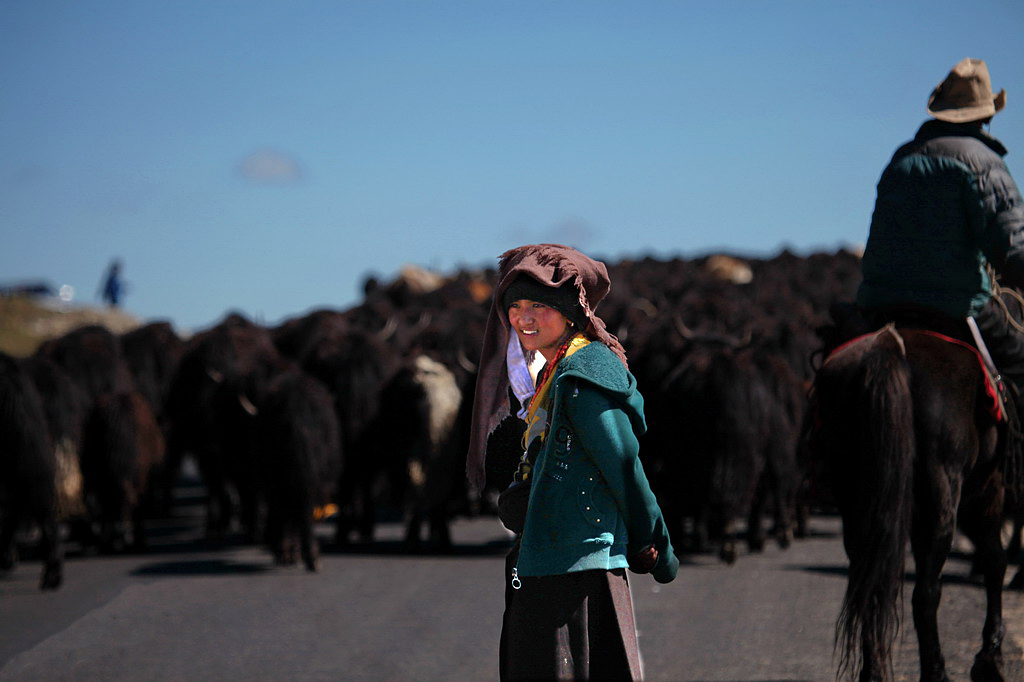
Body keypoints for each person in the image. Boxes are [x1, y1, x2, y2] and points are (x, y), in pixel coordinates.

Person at [467, 243, 678, 681]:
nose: (524, 318)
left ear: (569, 312)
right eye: (516, 307)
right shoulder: (554, 369)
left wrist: (656, 545)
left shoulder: (583, 375)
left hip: (578, 572)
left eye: (539, 306)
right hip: (550, 560)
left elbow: (623, 465)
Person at [855, 58, 1024, 387]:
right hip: (954, 305)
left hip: (880, 303)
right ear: (987, 114)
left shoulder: (901, 157)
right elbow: (1012, 250)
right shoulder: (985, 163)